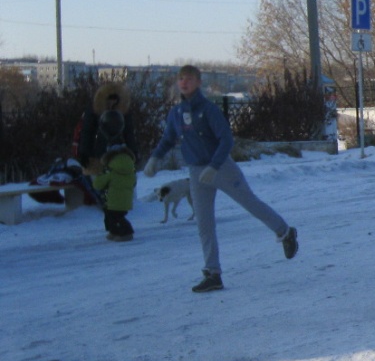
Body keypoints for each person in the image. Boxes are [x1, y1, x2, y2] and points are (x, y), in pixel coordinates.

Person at [144, 65, 298, 292]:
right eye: (181, 79)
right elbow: (168, 138)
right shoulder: (176, 114)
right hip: (197, 172)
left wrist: (215, 165)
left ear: (198, 82)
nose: (184, 82)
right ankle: (213, 273)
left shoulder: (208, 110)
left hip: (221, 167)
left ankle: (285, 231)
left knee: (249, 203)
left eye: (189, 78)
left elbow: (226, 140)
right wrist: (155, 158)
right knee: (204, 223)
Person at [79, 82, 140, 240]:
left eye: (115, 99)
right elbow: (87, 132)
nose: (112, 103)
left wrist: (134, 153)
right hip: (100, 155)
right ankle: (114, 227)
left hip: (119, 155)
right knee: (104, 193)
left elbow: (129, 134)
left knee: (113, 195)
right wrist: (84, 152)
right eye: (109, 99)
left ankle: (119, 227)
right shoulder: (94, 111)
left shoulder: (124, 112)